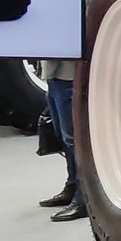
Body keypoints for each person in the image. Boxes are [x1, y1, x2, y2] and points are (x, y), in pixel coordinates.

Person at [42, 57, 84, 221]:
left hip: (69, 74)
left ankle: (83, 196)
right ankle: (72, 186)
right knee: (62, 135)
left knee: (73, 139)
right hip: (54, 74)